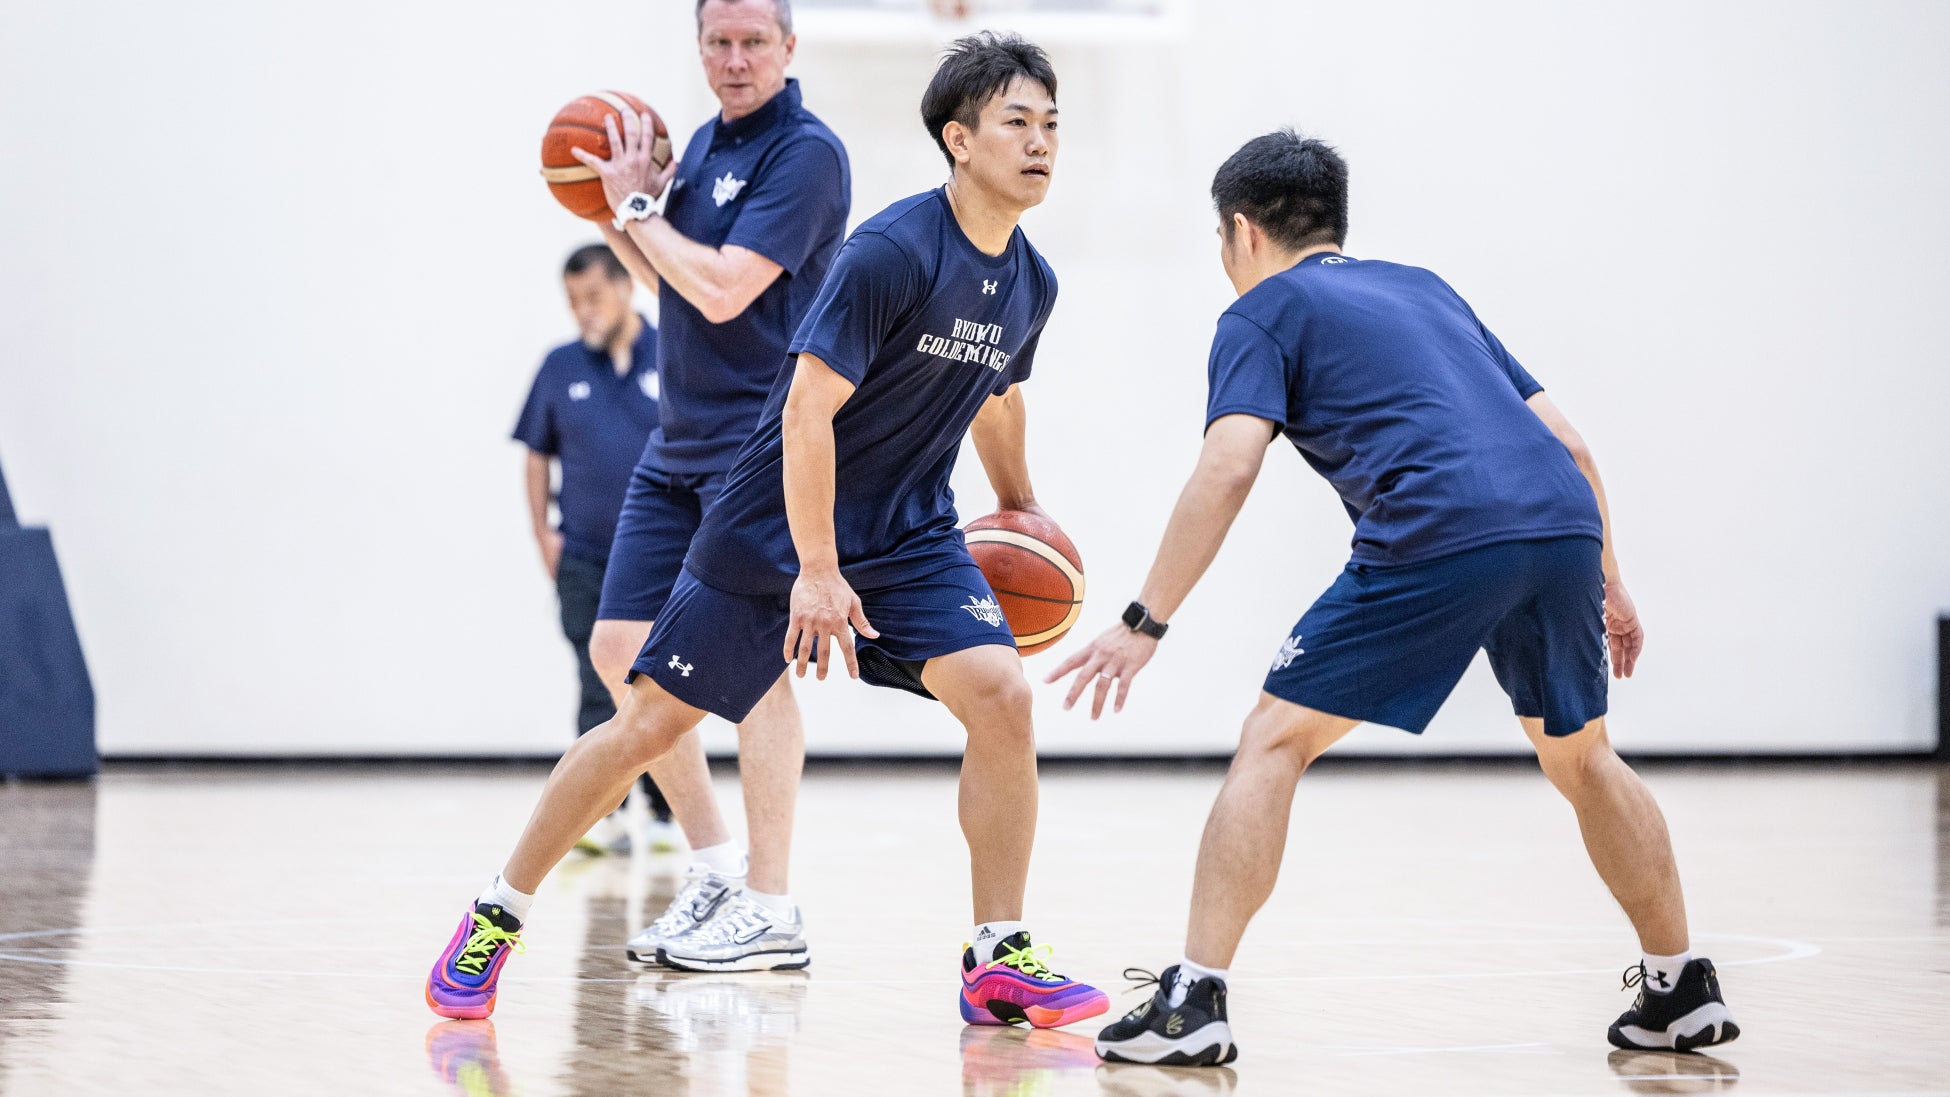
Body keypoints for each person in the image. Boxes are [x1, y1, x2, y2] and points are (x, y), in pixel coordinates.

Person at [426, 31, 1108, 1030]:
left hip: (911, 531)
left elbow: (995, 398)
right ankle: (495, 913)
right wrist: (817, 566)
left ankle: (996, 953)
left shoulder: (1031, 281)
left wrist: (1023, 502)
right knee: (647, 723)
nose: (1041, 140)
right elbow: (802, 412)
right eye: (1018, 122)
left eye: (1052, 124)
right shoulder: (891, 250)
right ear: (959, 139)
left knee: (1002, 696)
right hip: (774, 527)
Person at [1063, 132, 1740, 1064]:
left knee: (1273, 738)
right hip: (1560, 525)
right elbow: (1574, 446)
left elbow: (1227, 465)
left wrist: (1144, 621)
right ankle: (1680, 982)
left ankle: (1194, 1002)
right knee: (1582, 755)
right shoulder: (1426, 287)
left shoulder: (1262, 310)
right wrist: (1610, 578)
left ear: (1241, 232)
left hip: (1442, 527)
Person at [568, 0, 854, 971]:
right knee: (617, 647)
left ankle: (772, 904)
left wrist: (640, 215)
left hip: (758, 442)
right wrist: (624, 213)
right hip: (677, 436)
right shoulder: (698, 143)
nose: (734, 59)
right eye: (718, 43)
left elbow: (729, 284)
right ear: (698, 50)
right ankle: (717, 868)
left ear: (788, 46)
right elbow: (677, 288)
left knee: (756, 672)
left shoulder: (806, 155)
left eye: (752, 41)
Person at [512, 244, 677, 855]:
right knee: (593, 679)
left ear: (626, 288)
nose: (583, 312)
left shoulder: (675, 352)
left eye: (593, 297)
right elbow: (535, 452)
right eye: (573, 301)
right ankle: (603, 813)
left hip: (666, 557)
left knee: (662, 684)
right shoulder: (559, 367)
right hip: (583, 554)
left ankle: (664, 814)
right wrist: (541, 533)